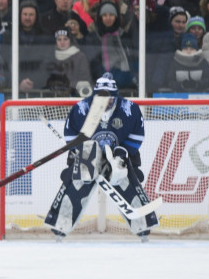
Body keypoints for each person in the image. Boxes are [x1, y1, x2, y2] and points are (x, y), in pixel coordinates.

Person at [44, 73, 159, 241]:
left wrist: (121, 153)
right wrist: (81, 149)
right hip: (88, 152)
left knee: (124, 179)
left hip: (119, 152)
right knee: (79, 180)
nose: (106, 103)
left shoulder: (129, 109)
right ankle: (61, 225)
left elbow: (137, 134)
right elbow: (70, 134)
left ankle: (142, 227)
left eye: (110, 99)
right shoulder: (82, 108)